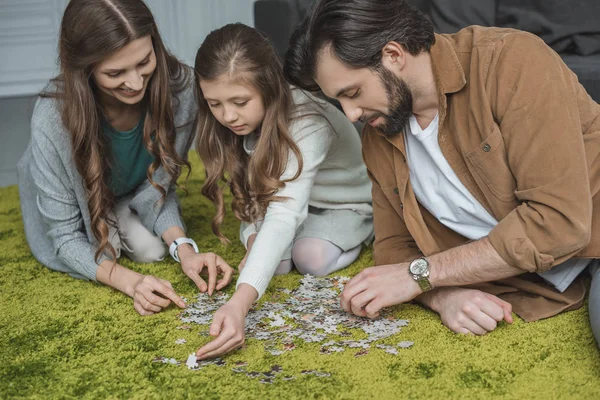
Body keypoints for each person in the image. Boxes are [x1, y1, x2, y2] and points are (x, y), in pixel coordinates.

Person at [284, 0, 600, 344]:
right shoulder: (380, 136)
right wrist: (442, 295)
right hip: (522, 280)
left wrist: (422, 275)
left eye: (353, 93)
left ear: (393, 54)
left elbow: (558, 224)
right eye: (338, 100)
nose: (350, 114)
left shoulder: (511, 62)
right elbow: (394, 247)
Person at [17, 0, 233, 316]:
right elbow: (64, 238)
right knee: (105, 255)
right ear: (84, 69)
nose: (135, 84)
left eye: (144, 62)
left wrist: (185, 250)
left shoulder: (181, 90)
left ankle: (121, 218)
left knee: (152, 251)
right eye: (115, 72)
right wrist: (130, 283)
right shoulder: (52, 117)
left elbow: (161, 186)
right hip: (76, 203)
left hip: (127, 190)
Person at [193, 23, 373, 359]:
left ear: (270, 87)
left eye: (240, 101)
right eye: (214, 104)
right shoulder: (239, 120)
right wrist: (252, 238)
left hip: (344, 204)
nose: (228, 115)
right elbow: (258, 194)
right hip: (288, 200)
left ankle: (365, 232)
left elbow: (284, 215)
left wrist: (239, 304)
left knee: (310, 258)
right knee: (272, 262)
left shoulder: (308, 122)